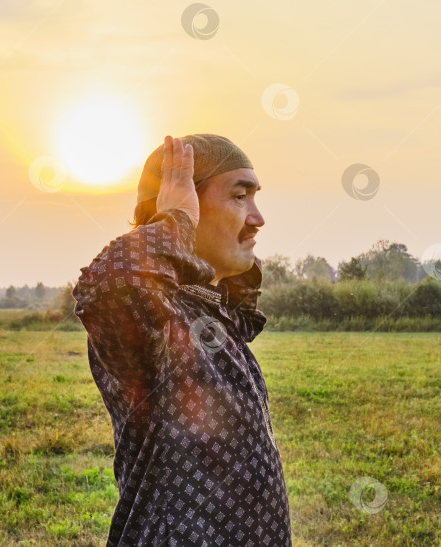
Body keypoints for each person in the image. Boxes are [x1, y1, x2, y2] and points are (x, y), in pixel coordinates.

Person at [72, 134, 292, 546]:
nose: (258, 217)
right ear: (184, 206)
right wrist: (175, 219)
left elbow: (238, 302)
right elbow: (108, 284)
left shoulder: (209, 315)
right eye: (240, 196)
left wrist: (219, 268)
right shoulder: (156, 320)